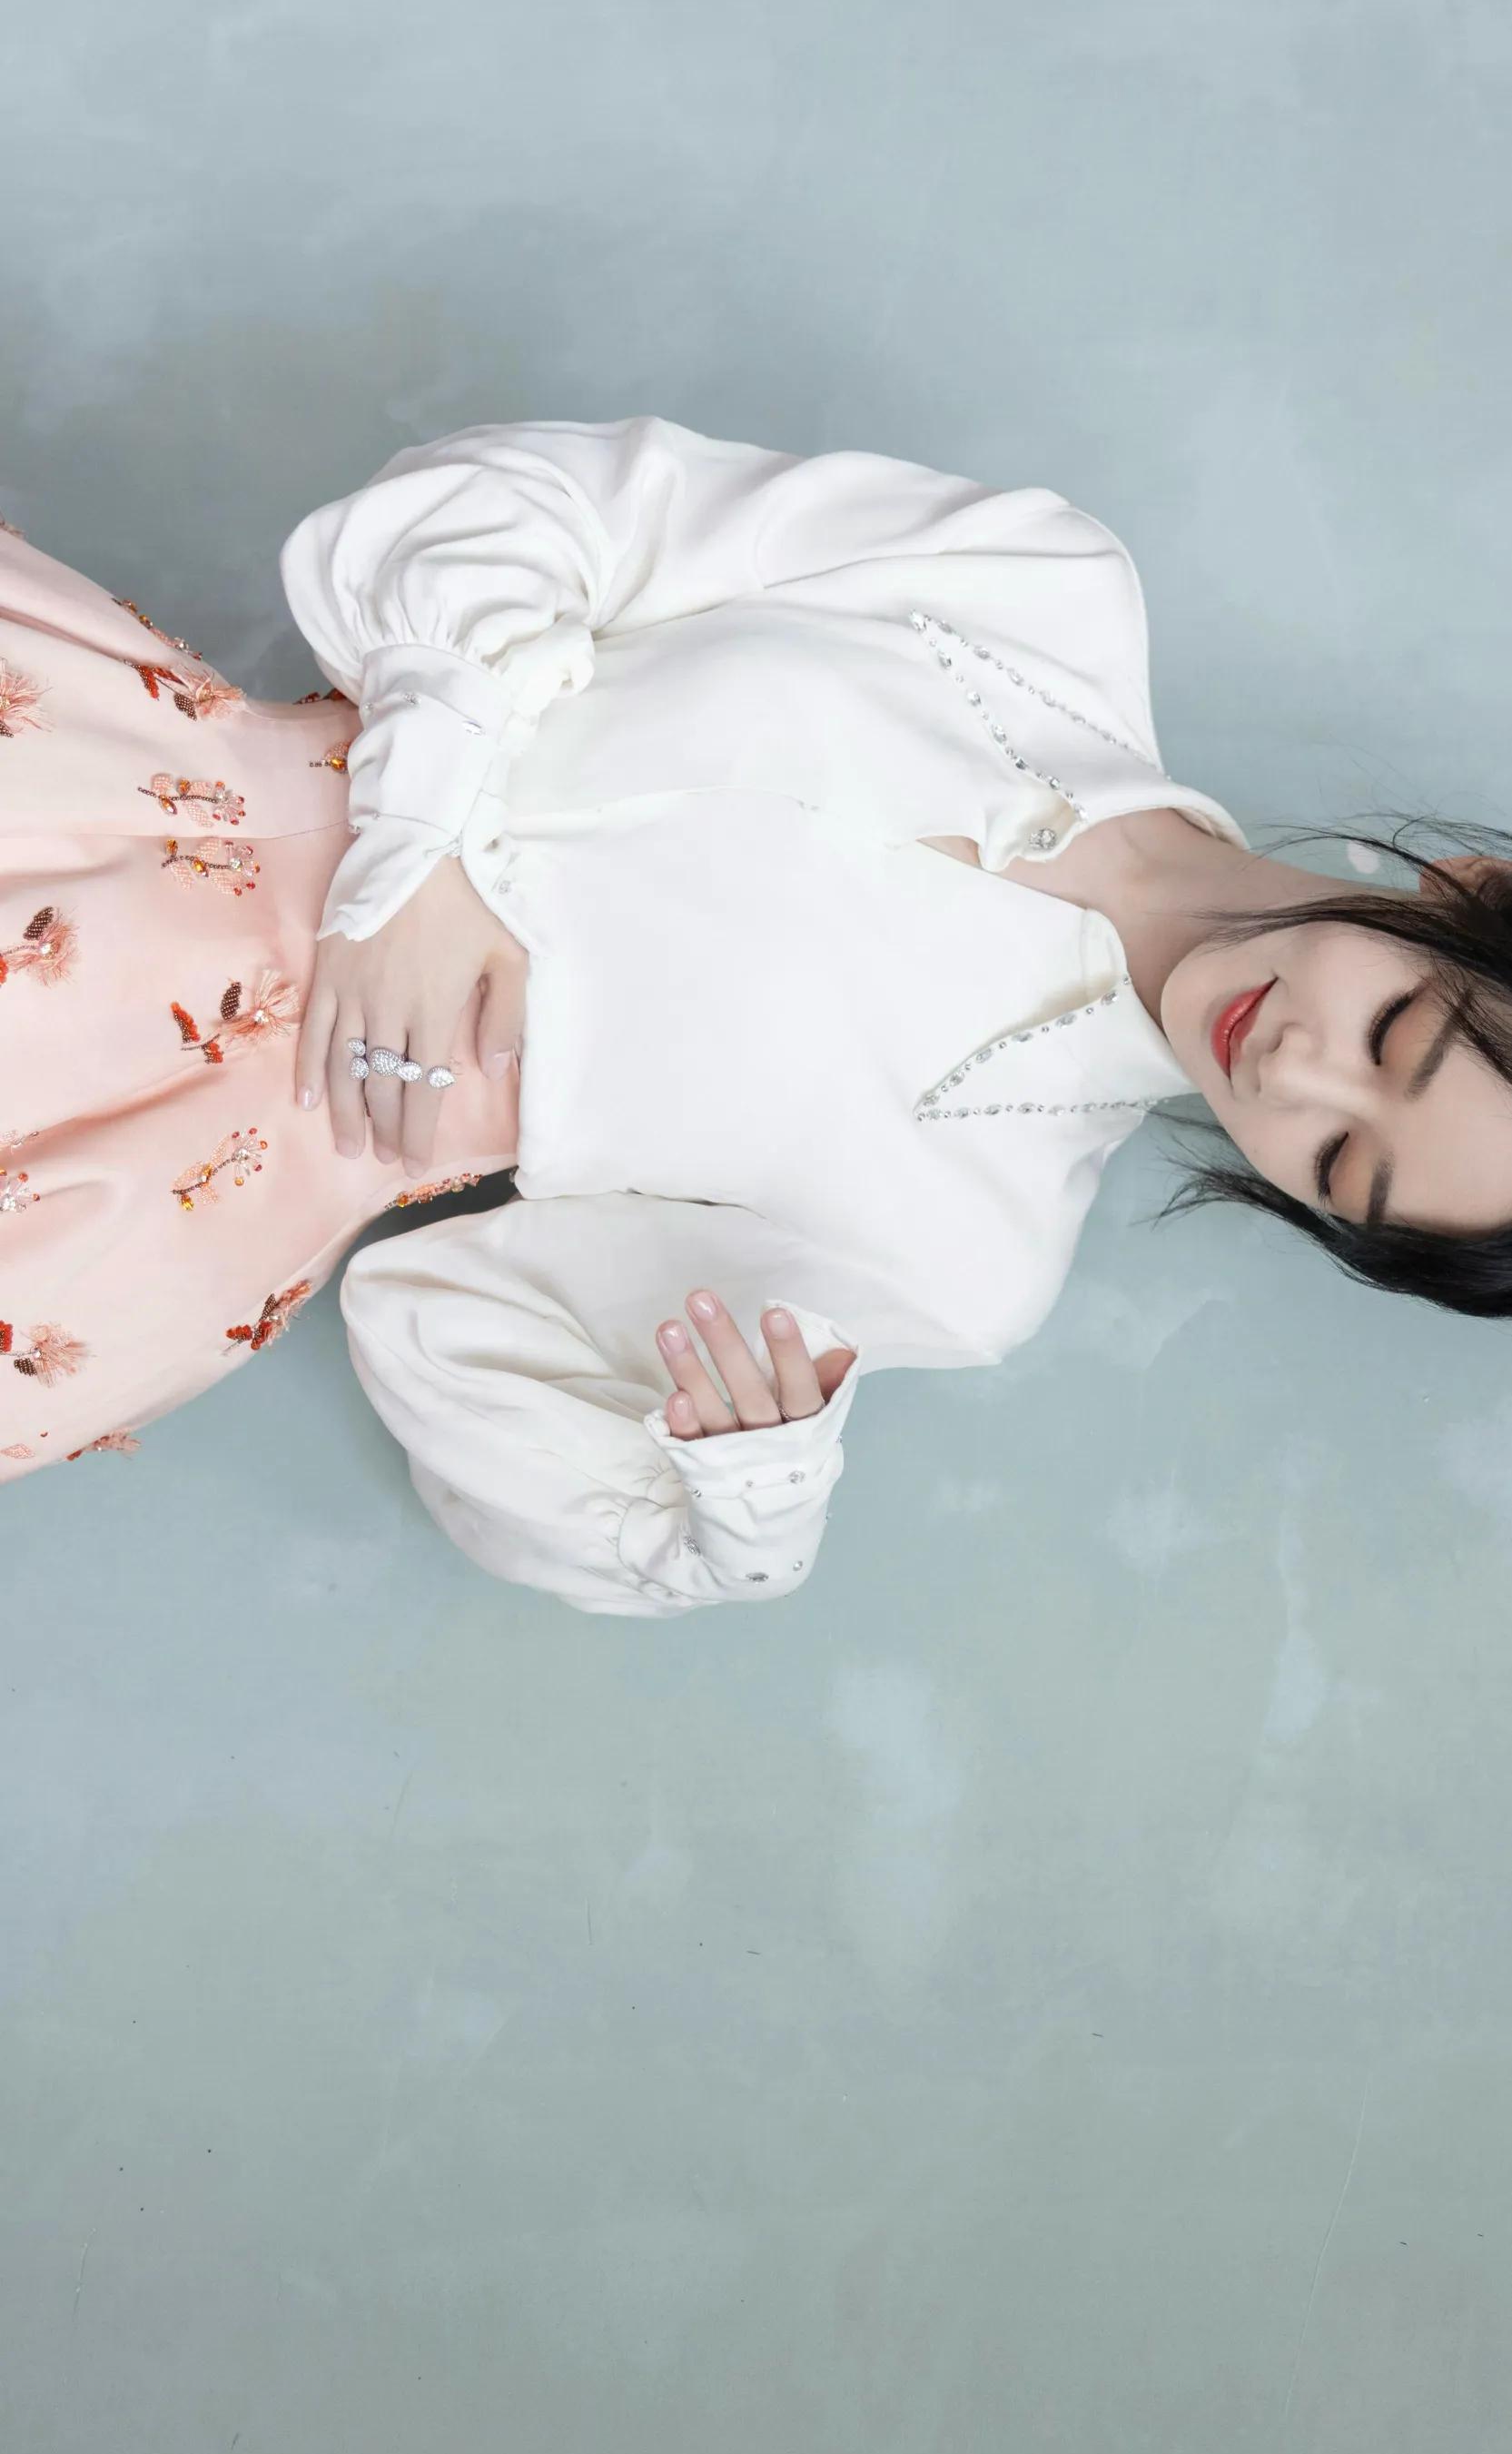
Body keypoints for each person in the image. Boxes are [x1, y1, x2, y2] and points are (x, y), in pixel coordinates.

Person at [4, 418, 1508, 1615]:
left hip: (136, 1185)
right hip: (99, 787)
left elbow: (453, 1339)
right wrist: (427, 841)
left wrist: (741, 1511)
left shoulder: (965, 1258)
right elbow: (509, 502)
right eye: (1392, 1037)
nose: (1296, 1077)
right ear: (1466, 891)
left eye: (1337, 1163)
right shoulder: (1037, 589)